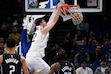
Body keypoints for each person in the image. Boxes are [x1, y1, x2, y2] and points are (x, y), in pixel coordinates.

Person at [26, 2, 63, 74]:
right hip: (34, 58)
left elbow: (51, 20)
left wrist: (55, 10)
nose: (45, 22)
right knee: (51, 72)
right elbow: (54, 21)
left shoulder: (39, 30)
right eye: (44, 21)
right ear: (41, 23)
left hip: (29, 58)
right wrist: (58, 9)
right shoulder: (42, 30)